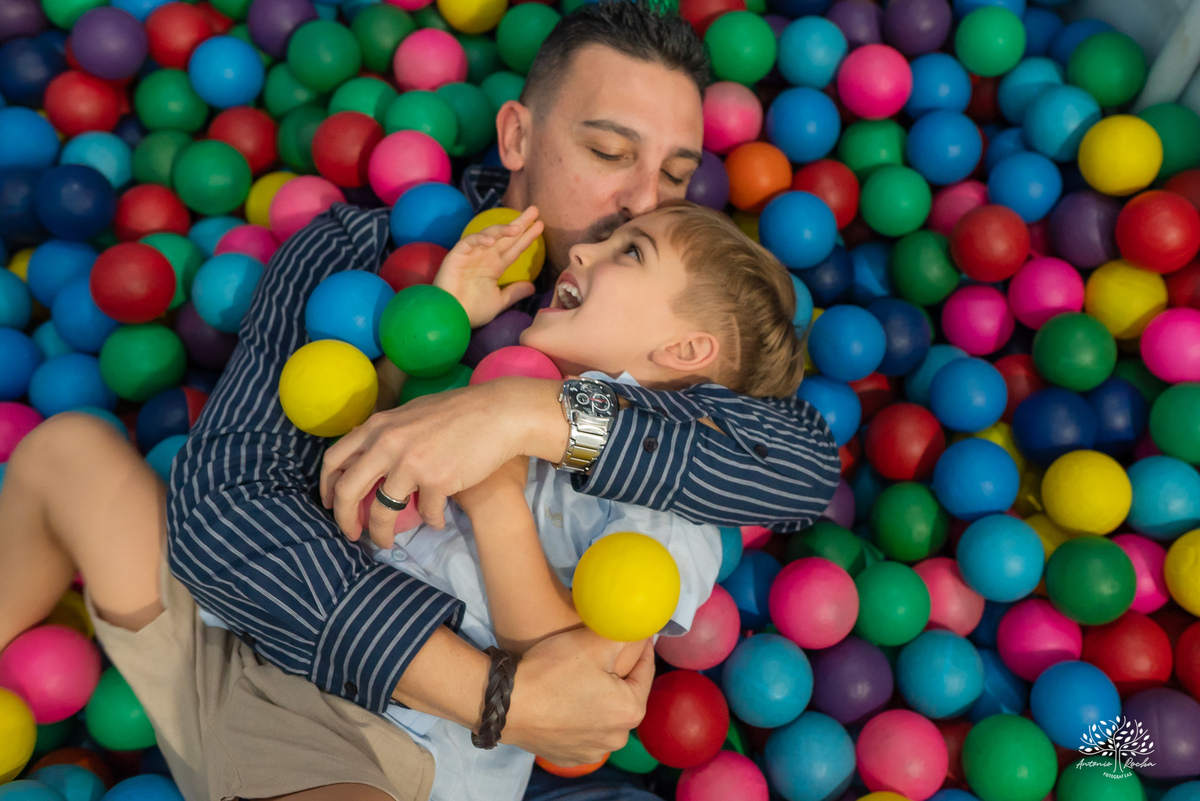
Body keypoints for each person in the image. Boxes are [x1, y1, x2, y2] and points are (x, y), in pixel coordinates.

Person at [167, 0, 838, 784]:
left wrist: (535, 414)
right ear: (518, 135)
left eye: (678, 175)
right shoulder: (363, 253)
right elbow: (224, 508)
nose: (644, 200)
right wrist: (498, 694)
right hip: (279, 673)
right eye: (608, 150)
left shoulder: (684, 310)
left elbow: (797, 464)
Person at [360, 198, 806, 801]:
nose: (580, 251)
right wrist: (437, 326)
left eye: (631, 252)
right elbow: (355, 466)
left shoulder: (668, 518)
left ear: (684, 351)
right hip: (314, 656)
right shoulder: (504, 383)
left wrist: (496, 501)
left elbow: (563, 676)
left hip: (415, 757)